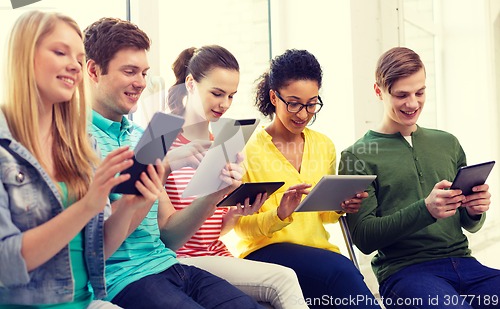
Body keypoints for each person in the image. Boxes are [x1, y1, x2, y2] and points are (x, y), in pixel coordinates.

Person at [84, 17, 263, 309]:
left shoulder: (148, 135)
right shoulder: (77, 140)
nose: (141, 82)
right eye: (130, 71)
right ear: (93, 70)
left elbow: (169, 237)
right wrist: (161, 169)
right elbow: (95, 247)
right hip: (121, 278)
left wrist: (216, 193)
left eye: (144, 72)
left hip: (168, 265)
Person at [0, 11, 164, 308]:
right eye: (60, 52)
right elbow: (6, 263)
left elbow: (97, 250)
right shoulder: (4, 150)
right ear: (25, 56)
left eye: (78, 57)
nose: (74, 65)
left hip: (88, 301)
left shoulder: (80, 145)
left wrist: (132, 203)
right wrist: (88, 204)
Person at [339, 46, 500, 309]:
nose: (413, 103)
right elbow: (365, 239)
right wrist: (426, 209)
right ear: (379, 91)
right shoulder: (358, 155)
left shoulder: (447, 143)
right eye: (401, 95)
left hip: (467, 265)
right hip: (406, 273)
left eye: (420, 92)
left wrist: (474, 210)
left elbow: (471, 226)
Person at [235, 49, 380, 309]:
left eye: (312, 104)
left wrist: (340, 206)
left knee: (338, 278)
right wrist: (278, 215)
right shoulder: (246, 149)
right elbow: (239, 226)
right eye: (293, 103)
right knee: (342, 271)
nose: (303, 114)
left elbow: (324, 215)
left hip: (319, 256)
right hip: (264, 254)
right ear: (273, 97)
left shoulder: (324, 145)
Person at [165, 45, 309, 309]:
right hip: (180, 259)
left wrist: (236, 212)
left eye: (231, 95)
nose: (224, 104)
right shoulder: (163, 140)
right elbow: (168, 237)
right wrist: (216, 194)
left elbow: (214, 232)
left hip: (215, 254)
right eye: (217, 93)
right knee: (284, 279)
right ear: (190, 84)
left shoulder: (225, 140)